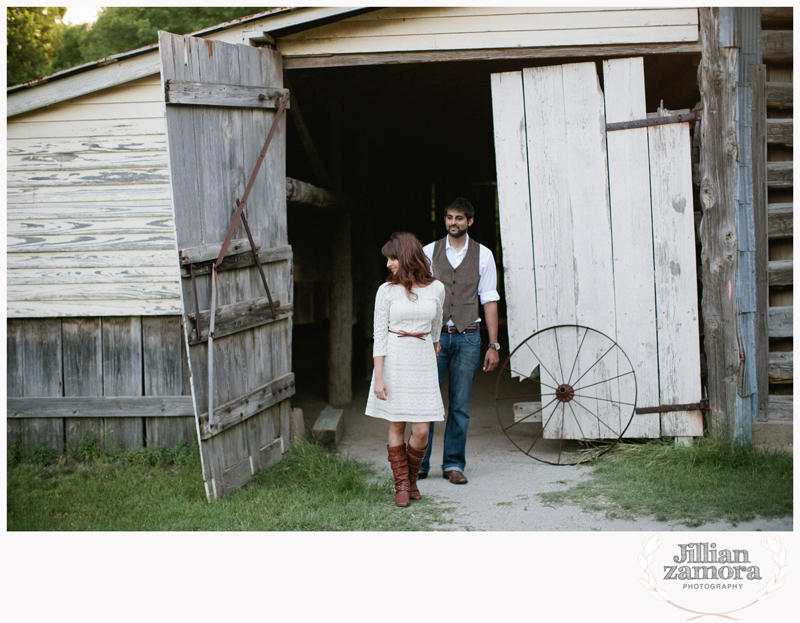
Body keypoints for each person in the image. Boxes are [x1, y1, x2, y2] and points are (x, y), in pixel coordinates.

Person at [420, 197, 501, 484]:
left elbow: (489, 299)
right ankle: (419, 463)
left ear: (470, 221)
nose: (453, 223)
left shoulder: (484, 255)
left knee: (459, 405)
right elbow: (420, 295)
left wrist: (493, 345)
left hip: (468, 338)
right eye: (449, 217)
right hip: (435, 338)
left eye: (459, 218)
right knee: (426, 402)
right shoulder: (429, 252)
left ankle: (454, 464)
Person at [365, 232, 446, 507]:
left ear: (408, 256)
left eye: (392, 258)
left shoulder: (436, 288)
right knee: (397, 423)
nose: (388, 264)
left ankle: (411, 479)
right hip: (395, 359)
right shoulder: (385, 291)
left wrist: (434, 344)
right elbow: (379, 335)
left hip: (422, 361)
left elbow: (437, 326)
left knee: (422, 430)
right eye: (387, 259)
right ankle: (402, 485)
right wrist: (379, 376)